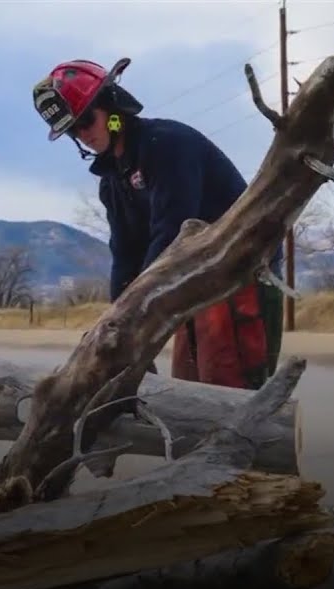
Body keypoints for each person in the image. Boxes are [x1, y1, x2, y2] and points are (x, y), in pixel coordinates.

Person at [32, 58, 286, 391]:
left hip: (240, 276)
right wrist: (117, 327)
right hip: (194, 284)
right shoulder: (113, 182)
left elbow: (171, 235)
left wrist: (135, 315)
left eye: (86, 121)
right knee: (189, 388)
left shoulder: (166, 145)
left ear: (110, 106)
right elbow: (126, 255)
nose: (84, 135)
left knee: (228, 390)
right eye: (73, 131)